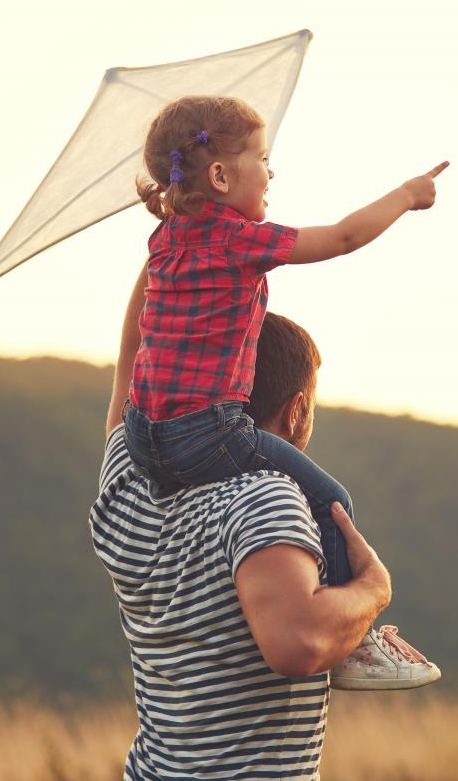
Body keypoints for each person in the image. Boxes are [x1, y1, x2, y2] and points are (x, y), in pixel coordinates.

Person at [118, 95, 445, 688]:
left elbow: (137, 338)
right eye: (264, 159)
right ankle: (356, 643)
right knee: (332, 500)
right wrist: (407, 195)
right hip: (208, 434)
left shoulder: (165, 242)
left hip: (143, 435)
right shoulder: (238, 240)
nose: (272, 172)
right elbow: (343, 238)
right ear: (220, 176)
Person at [92, 313, 432, 779]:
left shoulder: (129, 484)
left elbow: (133, 354)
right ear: (295, 411)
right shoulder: (263, 494)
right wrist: (374, 590)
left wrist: (166, 250)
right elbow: (298, 645)